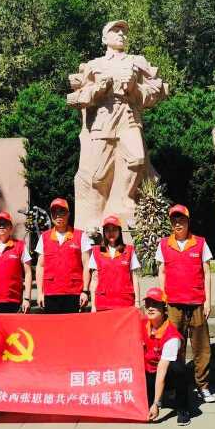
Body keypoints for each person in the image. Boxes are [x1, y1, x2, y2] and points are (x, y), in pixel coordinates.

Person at [67, 20, 169, 230]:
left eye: (123, 31)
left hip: (128, 115)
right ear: (105, 38)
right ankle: (96, 217)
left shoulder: (137, 62)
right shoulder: (93, 65)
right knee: (98, 174)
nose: (121, 34)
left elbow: (155, 93)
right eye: (115, 31)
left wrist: (134, 88)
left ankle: (124, 200)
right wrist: (98, 89)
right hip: (102, 119)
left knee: (137, 158)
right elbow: (76, 98)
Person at [157, 204, 215, 404]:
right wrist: (162, 300)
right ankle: (176, 387)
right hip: (174, 304)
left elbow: (207, 272)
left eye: (181, 219)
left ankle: (203, 386)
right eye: (174, 219)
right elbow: (161, 272)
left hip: (197, 302)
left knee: (201, 347)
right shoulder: (164, 244)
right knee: (175, 347)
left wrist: (208, 301)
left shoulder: (200, 243)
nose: (178, 223)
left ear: (188, 221)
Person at [35, 198, 93, 313]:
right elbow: (40, 266)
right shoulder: (44, 237)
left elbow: (87, 264)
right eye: (54, 212)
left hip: (74, 292)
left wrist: (85, 291)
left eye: (62, 211)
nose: (58, 215)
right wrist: (40, 293)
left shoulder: (80, 236)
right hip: (50, 293)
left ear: (68, 214)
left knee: (73, 324)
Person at [142, 287, 190, 426]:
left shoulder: (171, 336)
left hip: (166, 374)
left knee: (178, 368)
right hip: (147, 371)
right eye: (148, 304)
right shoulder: (141, 324)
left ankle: (182, 408)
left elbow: (162, 370)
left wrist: (156, 404)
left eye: (155, 304)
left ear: (164, 309)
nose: (150, 308)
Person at [87, 214, 140, 311]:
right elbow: (94, 279)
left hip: (125, 303)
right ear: (104, 232)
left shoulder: (129, 250)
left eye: (114, 229)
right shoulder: (96, 251)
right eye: (107, 230)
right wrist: (93, 306)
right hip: (103, 303)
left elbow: (134, 277)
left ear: (119, 231)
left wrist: (137, 302)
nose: (111, 233)